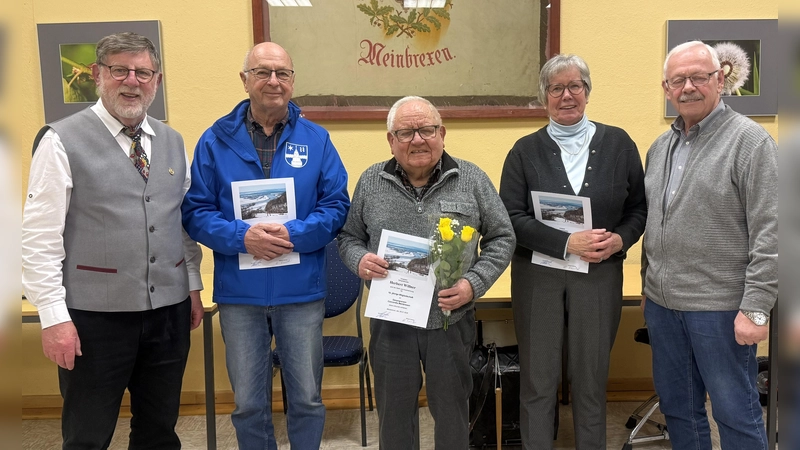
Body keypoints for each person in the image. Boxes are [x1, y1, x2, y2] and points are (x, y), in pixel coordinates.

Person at [21, 32, 204, 449]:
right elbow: (38, 237)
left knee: (159, 430)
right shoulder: (59, 140)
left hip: (168, 312)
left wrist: (192, 284)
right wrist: (53, 317)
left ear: (156, 80)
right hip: (93, 318)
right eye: (119, 70)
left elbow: (179, 223)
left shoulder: (172, 141)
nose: (131, 81)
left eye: (143, 72)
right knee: (88, 434)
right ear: (98, 75)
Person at [181, 41, 350, 449]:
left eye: (282, 73)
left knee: (307, 399)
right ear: (245, 80)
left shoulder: (318, 139)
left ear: (293, 82)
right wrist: (243, 237)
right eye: (262, 72)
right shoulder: (214, 140)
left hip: (300, 290)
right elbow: (195, 211)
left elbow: (336, 205)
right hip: (241, 294)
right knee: (248, 403)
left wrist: (295, 233)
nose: (273, 81)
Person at [338, 96, 515, 450]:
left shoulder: (472, 179)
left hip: (451, 323)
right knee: (394, 418)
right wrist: (358, 259)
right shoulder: (371, 181)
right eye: (405, 132)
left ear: (442, 133)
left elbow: (502, 237)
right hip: (392, 323)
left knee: (452, 415)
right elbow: (348, 237)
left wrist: (472, 284)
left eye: (426, 129)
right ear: (391, 139)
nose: (417, 139)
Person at [499, 54, 647, 449]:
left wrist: (621, 240)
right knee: (538, 380)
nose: (567, 95)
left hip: (598, 275)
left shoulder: (618, 144)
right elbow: (509, 216)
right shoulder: (523, 150)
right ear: (544, 97)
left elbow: (639, 209)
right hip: (538, 278)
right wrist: (566, 243)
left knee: (591, 379)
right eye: (556, 88)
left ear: (587, 91)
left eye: (574, 86)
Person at [641, 40, 778, 449]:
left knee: (736, 412)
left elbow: (772, 230)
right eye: (678, 80)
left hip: (721, 310)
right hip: (665, 308)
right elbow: (656, 223)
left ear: (719, 80)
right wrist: (651, 286)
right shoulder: (660, 148)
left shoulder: (751, 143)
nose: (688, 87)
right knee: (680, 410)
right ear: (666, 88)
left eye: (698, 77)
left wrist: (756, 308)